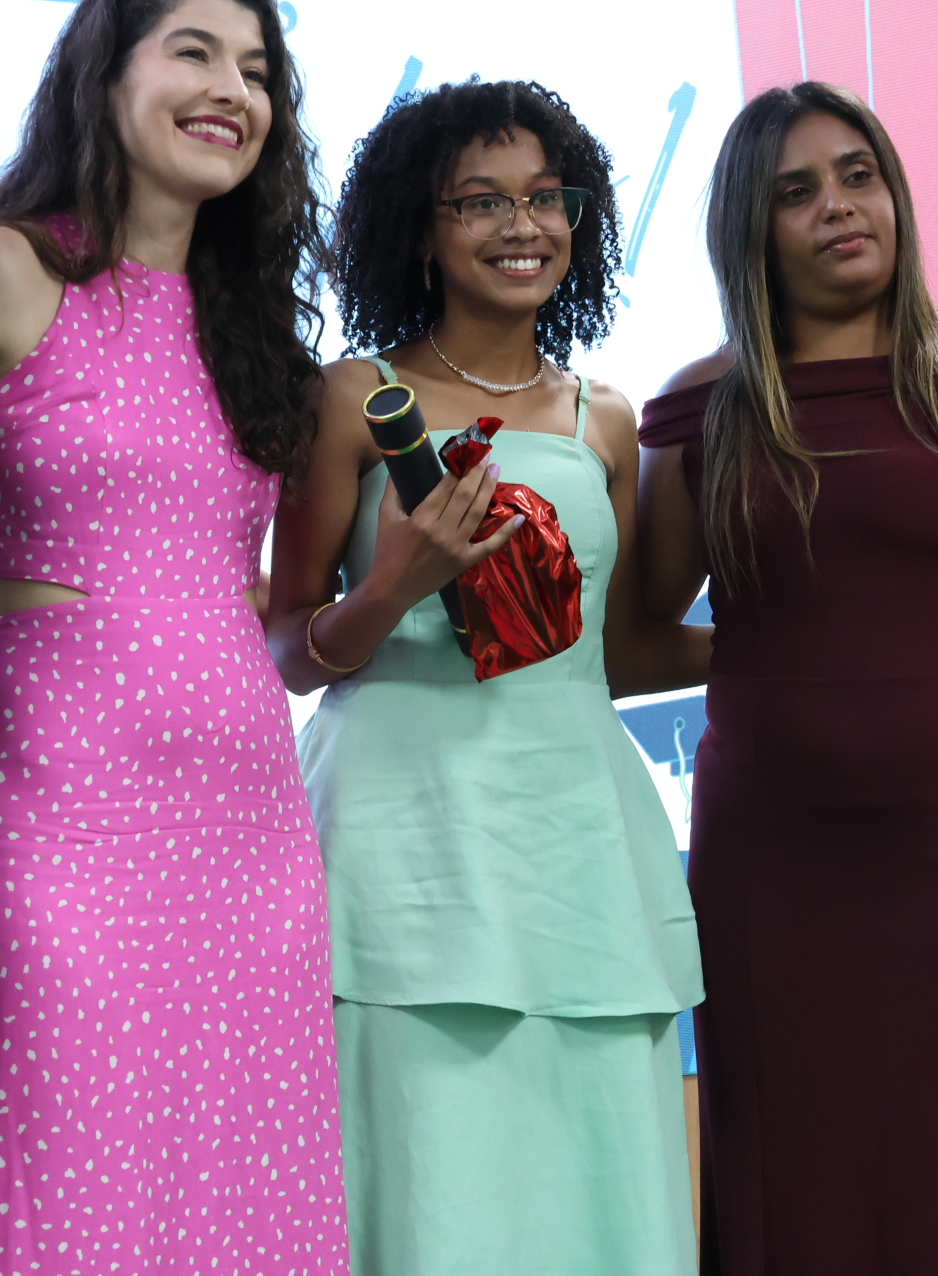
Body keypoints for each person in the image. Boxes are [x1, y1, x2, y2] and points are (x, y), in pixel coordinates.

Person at [0, 0, 349, 1273]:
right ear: (107, 73)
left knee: (238, 1200)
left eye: (257, 70)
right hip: (50, 817)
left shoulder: (254, 324)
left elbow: (259, 597)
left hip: (251, 832)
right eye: (194, 51)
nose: (232, 90)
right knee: (50, 1202)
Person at [635, 82, 938, 1274]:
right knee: (785, 1197)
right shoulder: (699, 407)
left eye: (859, 175)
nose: (839, 206)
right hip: (765, 873)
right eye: (796, 191)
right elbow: (631, 641)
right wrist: (790, 666)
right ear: (750, 228)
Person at [265, 80, 705, 1275]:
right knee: (424, 1177)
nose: (523, 226)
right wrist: (394, 586)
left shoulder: (607, 419)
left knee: (591, 1179)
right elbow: (288, 647)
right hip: (398, 840)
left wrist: (814, 647)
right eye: (481, 201)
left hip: (576, 841)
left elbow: (619, 654)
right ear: (422, 229)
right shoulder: (354, 397)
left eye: (546, 198)